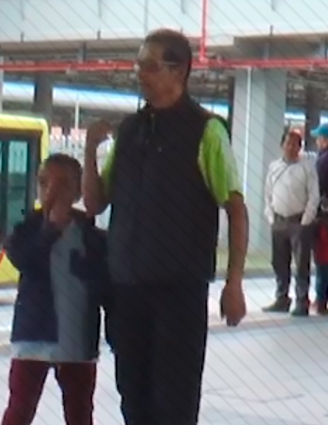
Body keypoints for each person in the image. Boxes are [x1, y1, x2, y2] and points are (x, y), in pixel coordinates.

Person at [82, 28, 248, 425]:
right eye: (139, 64)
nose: (140, 73)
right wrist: (90, 149)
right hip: (126, 290)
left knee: (173, 406)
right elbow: (95, 202)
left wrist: (234, 282)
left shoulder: (207, 131)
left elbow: (236, 209)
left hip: (179, 293)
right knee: (133, 403)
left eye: (150, 65)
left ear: (180, 71)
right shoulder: (130, 130)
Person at [0, 154, 111, 425]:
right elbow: (23, 258)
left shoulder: (91, 236)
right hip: (34, 334)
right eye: (43, 182)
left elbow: (104, 285)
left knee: (79, 412)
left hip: (77, 338)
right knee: (19, 409)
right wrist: (49, 229)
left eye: (62, 184)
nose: (51, 191)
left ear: (77, 191)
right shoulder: (27, 228)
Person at [262, 128, 319, 316]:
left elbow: (313, 196)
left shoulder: (307, 167)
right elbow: (267, 194)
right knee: (279, 262)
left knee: (301, 263)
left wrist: (305, 221)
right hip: (278, 220)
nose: (291, 147)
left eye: (295, 144)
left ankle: (302, 301)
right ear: (281, 146)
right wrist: (270, 216)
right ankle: (281, 298)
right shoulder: (274, 167)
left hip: (299, 222)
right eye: (288, 143)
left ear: (300, 147)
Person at [311, 123, 328, 314]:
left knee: (324, 260)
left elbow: (317, 189)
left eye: (319, 138)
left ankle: (321, 299)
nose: (317, 142)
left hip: (324, 219)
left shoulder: (323, 161)